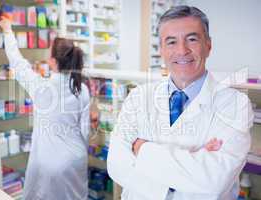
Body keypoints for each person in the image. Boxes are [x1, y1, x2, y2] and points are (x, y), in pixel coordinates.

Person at [107, 5, 253, 200]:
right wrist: (188, 169)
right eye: (171, 42)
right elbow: (117, 165)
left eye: (192, 39)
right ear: (161, 50)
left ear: (208, 45)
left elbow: (215, 181)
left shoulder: (236, 104)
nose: (182, 50)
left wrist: (142, 149)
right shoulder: (138, 97)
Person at [0, 18, 90, 200]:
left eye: (49, 55)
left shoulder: (41, 88)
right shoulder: (82, 88)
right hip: (77, 158)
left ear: (53, 62)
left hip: (51, 162)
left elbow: (17, 63)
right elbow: (85, 132)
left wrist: (8, 31)